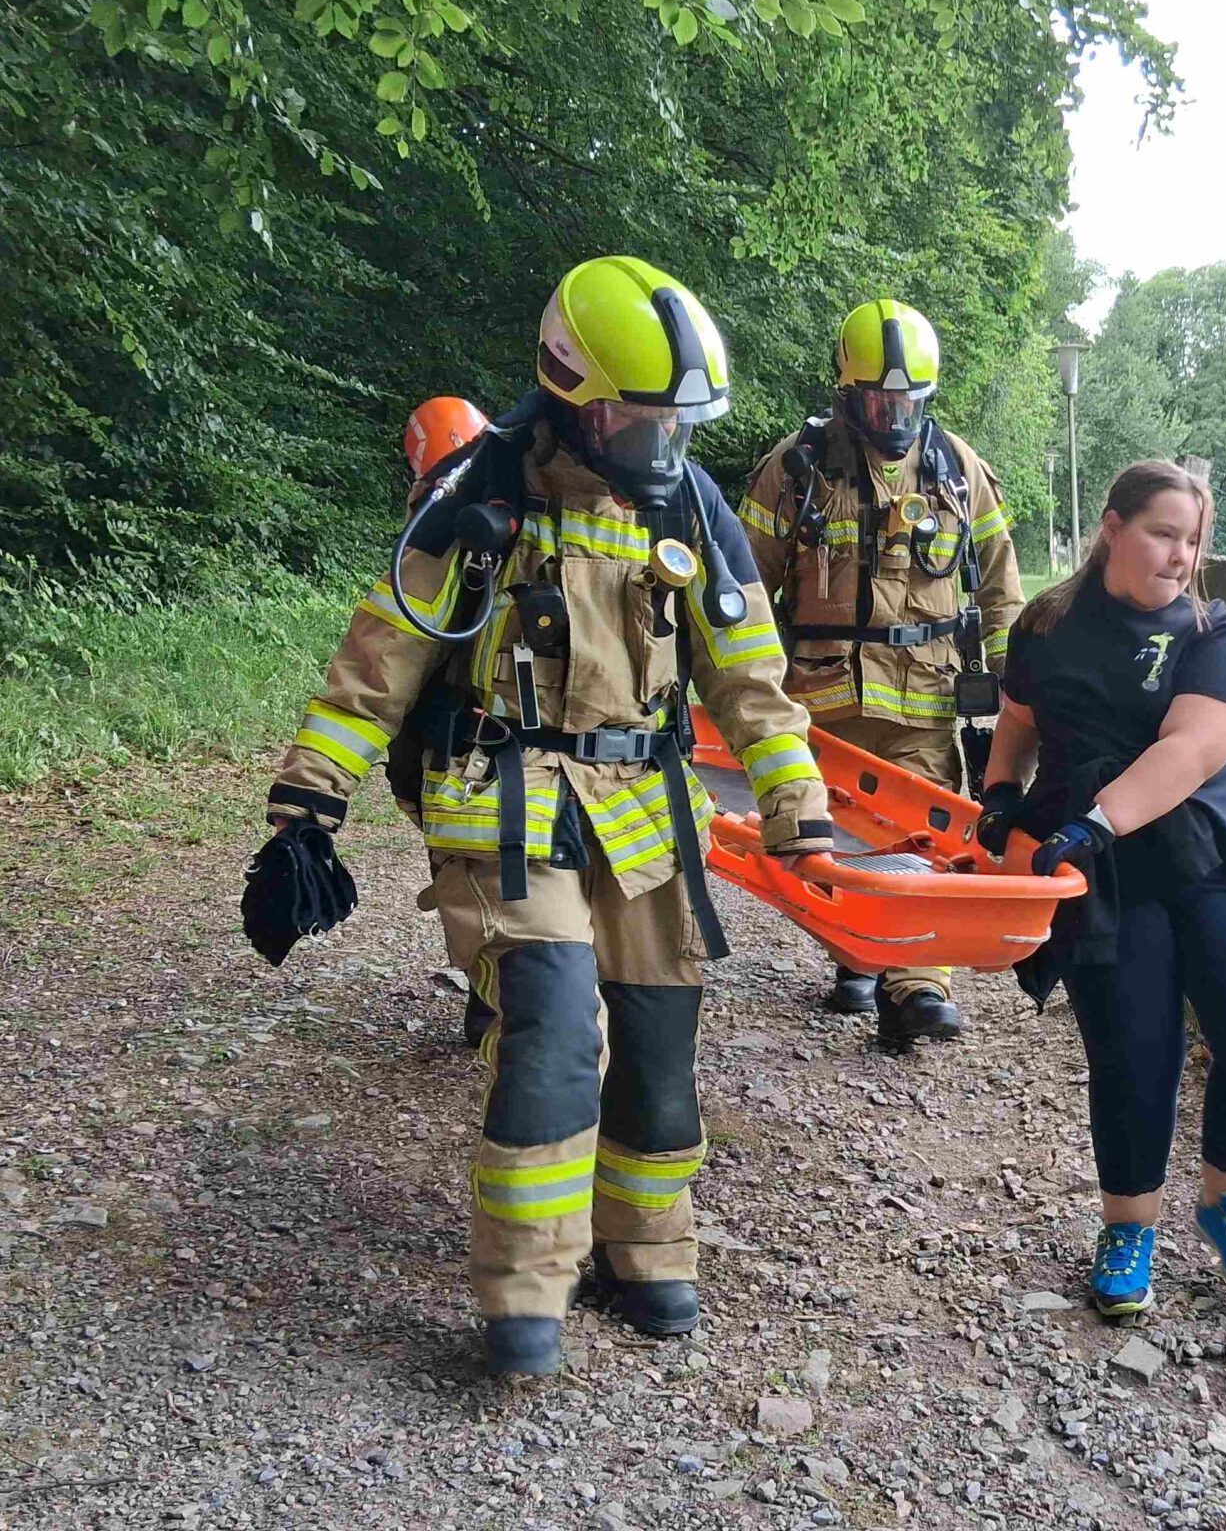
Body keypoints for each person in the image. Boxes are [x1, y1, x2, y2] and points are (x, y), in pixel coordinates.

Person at [262, 256, 833, 1374]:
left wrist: (795, 800)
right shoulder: (481, 498)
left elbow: (749, 677)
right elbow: (379, 660)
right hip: (505, 798)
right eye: (645, 416)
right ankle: (525, 1285)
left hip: (643, 811)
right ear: (580, 394)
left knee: (661, 1040)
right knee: (557, 1026)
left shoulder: (693, 505)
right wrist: (306, 806)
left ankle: (645, 1249)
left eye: (679, 420)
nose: (665, 441)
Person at [978, 460, 1226, 1318]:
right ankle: (1128, 1225)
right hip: (1092, 868)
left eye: (1194, 540)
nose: (1182, 556)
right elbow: (1018, 723)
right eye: (1165, 534)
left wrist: (1096, 823)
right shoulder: (1046, 624)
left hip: (1202, 843)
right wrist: (996, 798)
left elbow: (1194, 748)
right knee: (1132, 1045)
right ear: (1113, 526)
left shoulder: (1212, 630)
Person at [740, 300, 1024, 1048]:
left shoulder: (958, 471)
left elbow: (1000, 589)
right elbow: (740, 591)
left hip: (925, 702)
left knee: (922, 842)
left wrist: (1017, 688)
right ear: (846, 392)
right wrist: (749, 692)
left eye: (905, 401)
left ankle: (919, 987)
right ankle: (855, 955)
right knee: (832, 845)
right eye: (875, 399)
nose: (890, 413)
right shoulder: (796, 469)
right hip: (819, 704)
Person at [393, 397, 496, 1049]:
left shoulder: (431, 517)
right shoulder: (489, 502)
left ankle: (491, 997)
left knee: (464, 865)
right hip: (471, 728)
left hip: (446, 736)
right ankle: (499, 999)